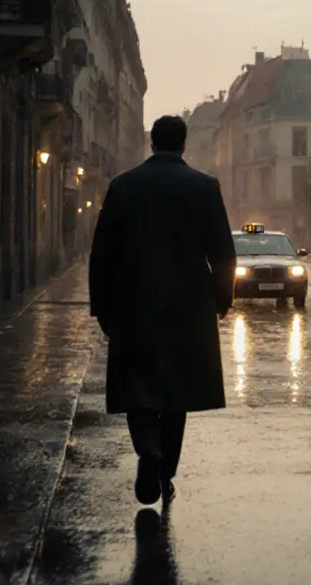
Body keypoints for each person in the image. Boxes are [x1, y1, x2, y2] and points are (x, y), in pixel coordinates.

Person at [89, 115, 237, 506]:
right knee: (178, 391)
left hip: (132, 301)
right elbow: (223, 254)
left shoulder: (123, 186)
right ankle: (166, 471)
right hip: (188, 306)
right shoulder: (205, 187)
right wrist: (220, 301)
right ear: (183, 144)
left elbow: (102, 253)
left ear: (151, 144)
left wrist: (102, 307)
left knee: (139, 386)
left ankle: (148, 452)